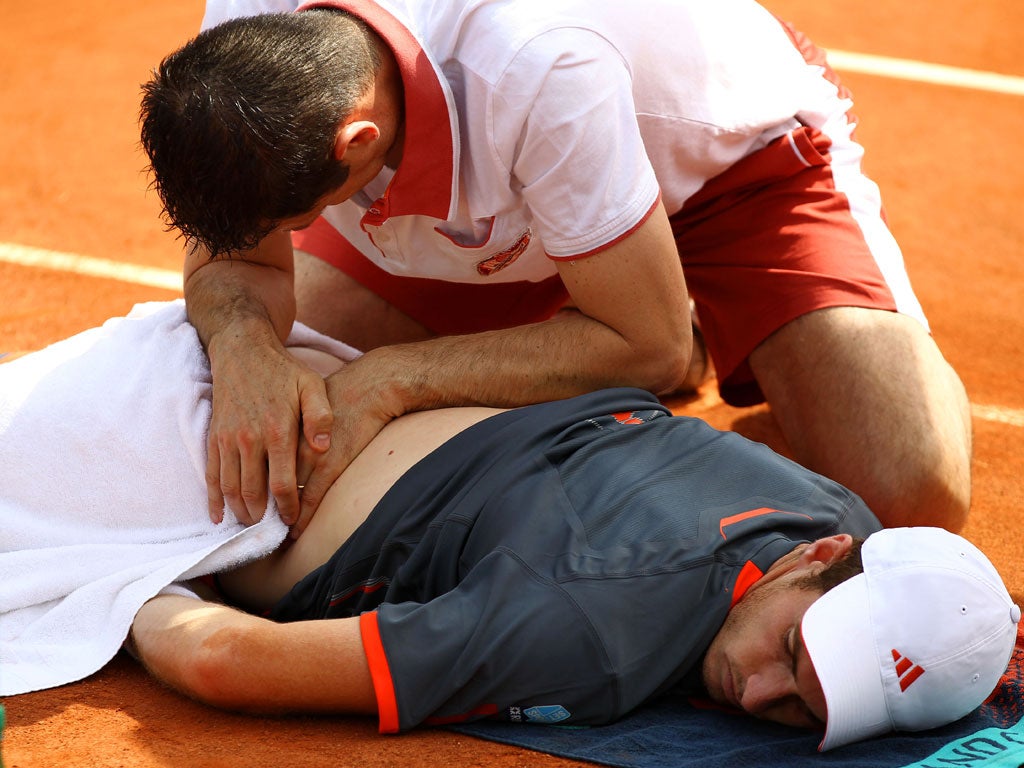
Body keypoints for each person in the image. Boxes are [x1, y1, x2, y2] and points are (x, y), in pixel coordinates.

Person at [1, 302, 1016, 750]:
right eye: (792, 652)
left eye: (803, 709)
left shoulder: (847, 517)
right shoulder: (589, 638)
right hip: (167, 476)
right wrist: (134, 586)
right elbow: (226, 661)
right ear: (820, 560)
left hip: (254, 374)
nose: (755, 691)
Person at [137, 0, 972, 540]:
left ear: (356, 145)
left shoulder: (538, 62)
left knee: (907, 498)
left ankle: (636, 289)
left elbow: (632, 345)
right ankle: (629, 299)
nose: (288, 236)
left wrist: (397, 379)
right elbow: (232, 255)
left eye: (299, 218)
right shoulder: (248, 32)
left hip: (725, 169)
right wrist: (242, 338)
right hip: (499, 199)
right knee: (273, 421)